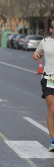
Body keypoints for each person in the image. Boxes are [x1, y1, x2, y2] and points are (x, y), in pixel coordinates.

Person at [33, 20, 54, 152]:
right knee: (52, 109)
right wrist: (36, 55)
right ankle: (53, 141)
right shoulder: (45, 42)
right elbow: (37, 53)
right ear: (51, 29)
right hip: (49, 78)